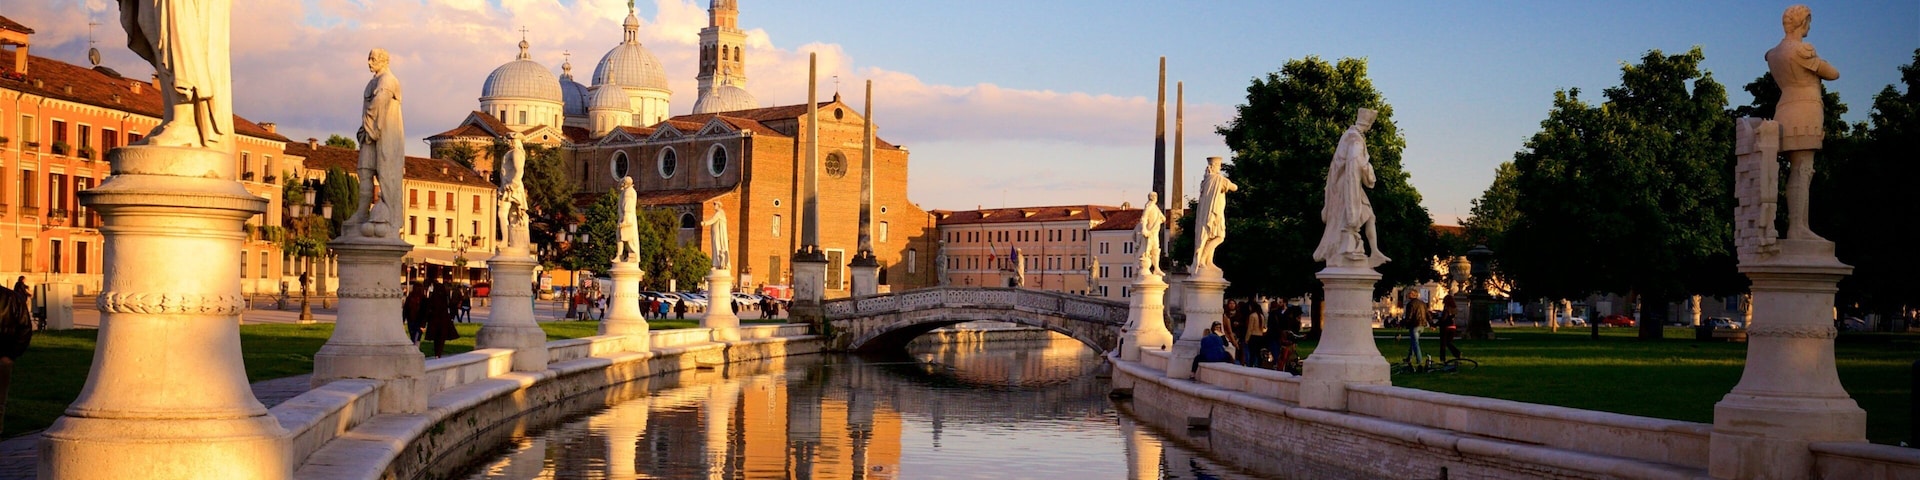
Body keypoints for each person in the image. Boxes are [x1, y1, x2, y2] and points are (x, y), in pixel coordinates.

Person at [421, 276, 460, 358]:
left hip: (435, 320)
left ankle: (437, 353)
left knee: (437, 337)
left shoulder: (432, 298)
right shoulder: (443, 297)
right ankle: (438, 353)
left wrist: (423, 323)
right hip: (443, 319)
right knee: (441, 337)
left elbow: (428, 310)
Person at [1403, 291, 1429, 365]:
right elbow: (1427, 313)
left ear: (1413, 295)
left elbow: (1409, 316)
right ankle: (1409, 358)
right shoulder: (1422, 303)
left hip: (1415, 325)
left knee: (1415, 343)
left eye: (1409, 294)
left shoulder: (1410, 304)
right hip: (1422, 325)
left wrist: (1404, 323)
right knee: (1413, 342)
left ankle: (1419, 360)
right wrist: (1431, 323)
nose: (1407, 295)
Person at [1437, 293, 1463, 362]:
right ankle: (1457, 353)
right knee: (1448, 342)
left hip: (1446, 327)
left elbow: (1443, 318)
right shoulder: (1454, 308)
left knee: (1443, 343)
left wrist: (1437, 323)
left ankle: (1442, 358)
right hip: (1452, 327)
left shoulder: (1446, 308)